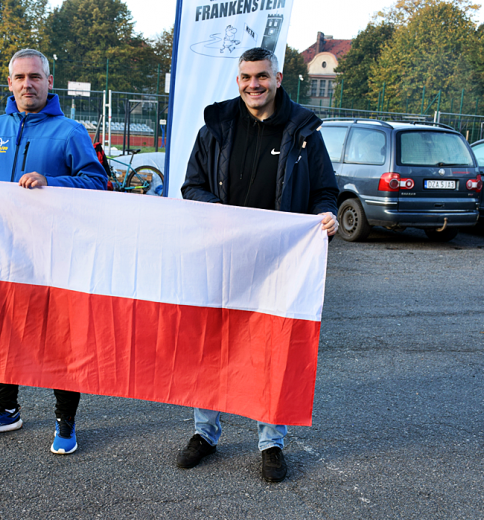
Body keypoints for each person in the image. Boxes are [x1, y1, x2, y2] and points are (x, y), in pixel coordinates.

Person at [178, 47, 339, 482]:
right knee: (213, 346)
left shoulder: (304, 131)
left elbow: (326, 191)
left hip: (279, 264)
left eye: (262, 76)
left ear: (279, 77)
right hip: (221, 259)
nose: (254, 84)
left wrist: (328, 216)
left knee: (273, 350)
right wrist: (227, 217)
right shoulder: (215, 127)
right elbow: (191, 187)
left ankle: (271, 441)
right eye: (247, 77)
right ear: (237, 81)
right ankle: (205, 433)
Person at [0, 49, 107, 454]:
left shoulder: (70, 132)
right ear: (9, 83)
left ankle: (66, 420)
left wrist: (52, 182)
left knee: (63, 338)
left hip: (58, 257)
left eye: (36, 77)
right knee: (7, 331)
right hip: (6, 256)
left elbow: (97, 183)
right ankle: (7, 410)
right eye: (20, 77)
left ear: (49, 82)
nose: (28, 84)